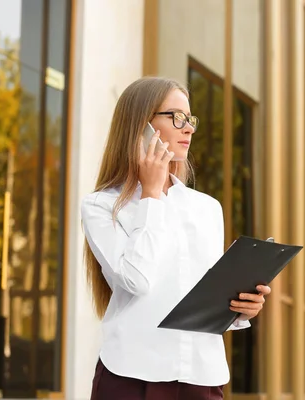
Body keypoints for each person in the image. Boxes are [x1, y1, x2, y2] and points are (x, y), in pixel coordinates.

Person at [81, 76, 270, 400]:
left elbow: (202, 298)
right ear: (141, 126)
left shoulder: (206, 208)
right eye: (177, 117)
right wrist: (151, 195)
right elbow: (137, 281)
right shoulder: (101, 206)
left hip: (202, 376)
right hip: (130, 376)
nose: (189, 129)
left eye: (190, 119)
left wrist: (242, 309)